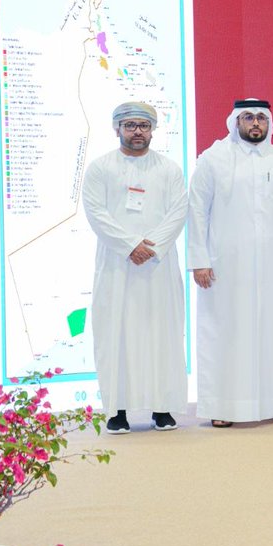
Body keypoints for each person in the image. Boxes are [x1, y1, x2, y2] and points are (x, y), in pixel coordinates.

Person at [188, 98, 273, 427]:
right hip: (226, 267)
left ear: (269, 123)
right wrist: (199, 260)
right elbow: (197, 212)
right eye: (248, 117)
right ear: (236, 122)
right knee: (226, 331)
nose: (255, 123)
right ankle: (223, 405)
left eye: (261, 117)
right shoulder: (212, 160)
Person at [82, 101, 188, 434]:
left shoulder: (169, 169)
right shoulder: (100, 168)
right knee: (116, 334)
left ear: (153, 130)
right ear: (117, 129)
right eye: (130, 125)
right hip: (117, 264)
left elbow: (179, 211)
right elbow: (96, 212)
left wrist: (150, 247)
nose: (137, 131)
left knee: (161, 332)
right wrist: (130, 245)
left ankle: (162, 408)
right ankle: (118, 410)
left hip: (158, 264)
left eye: (143, 125)